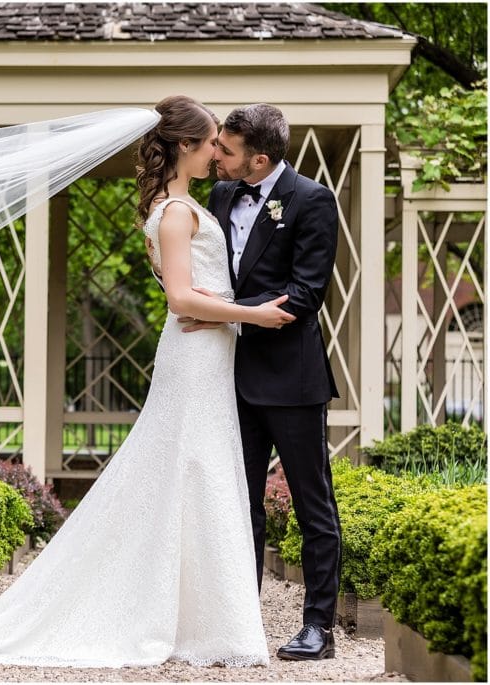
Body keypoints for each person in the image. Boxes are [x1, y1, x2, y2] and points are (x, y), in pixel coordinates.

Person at [0, 95, 294, 668]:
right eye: (211, 143)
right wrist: (254, 314)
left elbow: (198, 292)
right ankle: (189, 622)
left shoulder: (182, 205)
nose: (218, 152)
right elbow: (178, 297)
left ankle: (200, 618)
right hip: (195, 356)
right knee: (190, 467)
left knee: (196, 471)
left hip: (208, 351)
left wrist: (223, 309)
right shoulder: (176, 213)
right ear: (184, 147)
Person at [183, 103, 342, 661]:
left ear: (261, 159)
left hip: (294, 381)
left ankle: (318, 628)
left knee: (311, 504)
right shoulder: (222, 196)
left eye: (225, 150)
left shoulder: (314, 200)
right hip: (231, 378)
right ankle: (241, 624)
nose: (215, 156)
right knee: (238, 504)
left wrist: (222, 312)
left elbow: (304, 295)